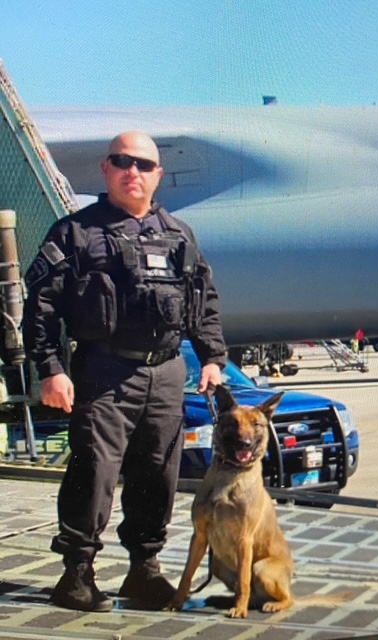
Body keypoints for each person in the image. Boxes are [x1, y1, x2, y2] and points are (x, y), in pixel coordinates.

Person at [23, 131, 226, 612]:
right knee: (95, 470)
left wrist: (213, 358)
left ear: (158, 175)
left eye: (143, 164)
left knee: (158, 473)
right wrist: (51, 369)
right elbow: (41, 307)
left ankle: (144, 571)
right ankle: (76, 575)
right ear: (105, 169)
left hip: (167, 372)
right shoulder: (74, 233)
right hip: (104, 370)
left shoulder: (178, 234)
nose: (132, 171)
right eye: (121, 161)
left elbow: (204, 301)